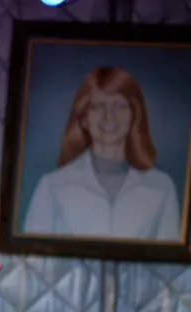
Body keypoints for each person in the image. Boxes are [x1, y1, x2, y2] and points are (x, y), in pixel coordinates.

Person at [22, 66, 181, 241]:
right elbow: (31, 262)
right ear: (83, 118)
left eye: (119, 107)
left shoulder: (162, 187)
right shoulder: (51, 186)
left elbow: (172, 267)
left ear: (134, 115)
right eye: (98, 107)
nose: (109, 117)